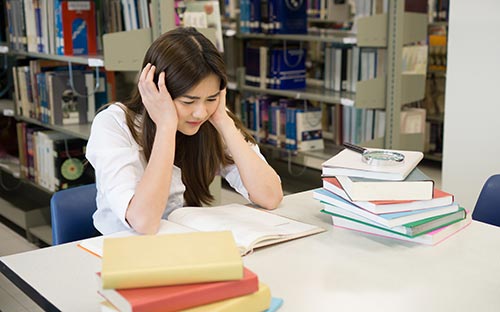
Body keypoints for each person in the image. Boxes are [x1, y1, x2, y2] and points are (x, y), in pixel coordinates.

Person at [86, 27, 283, 235]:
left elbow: (269, 196)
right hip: (125, 251)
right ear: (154, 89)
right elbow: (144, 222)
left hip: (185, 244)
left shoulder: (212, 117)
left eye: (211, 98)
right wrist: (166, 127)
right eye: (189, 101)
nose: (200, 113)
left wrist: (224, 121)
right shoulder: (112, 124)